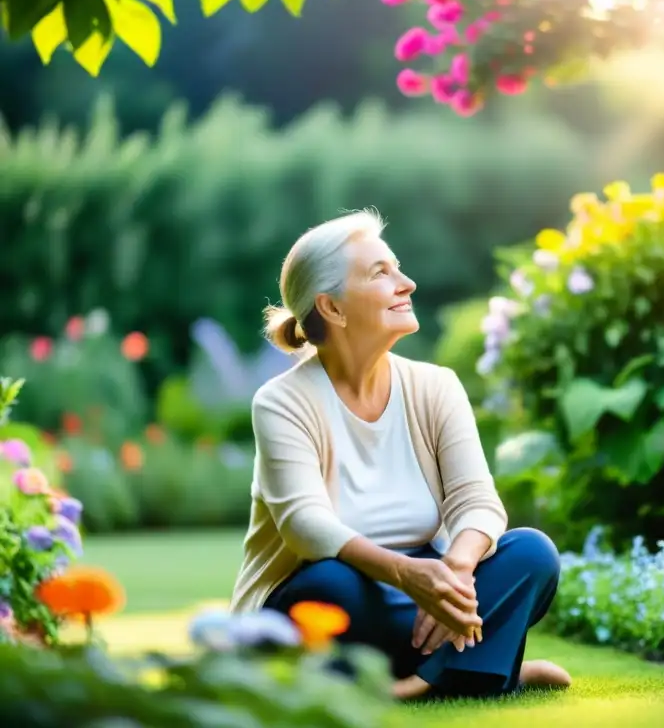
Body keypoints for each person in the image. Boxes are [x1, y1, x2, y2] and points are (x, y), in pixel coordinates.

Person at [229, 210, 571, 700]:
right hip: (344, 597)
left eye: (397, 268)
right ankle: (481, 670)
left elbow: (479, 504)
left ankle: (414, 683)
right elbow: (306, 527)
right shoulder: (282, 401)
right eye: (380, 273)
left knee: (532, 554)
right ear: (333, 308)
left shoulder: (436, 386)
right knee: (331, 584)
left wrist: (453, 571)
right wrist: (409, 577)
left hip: (427, 591)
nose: (406, 283)